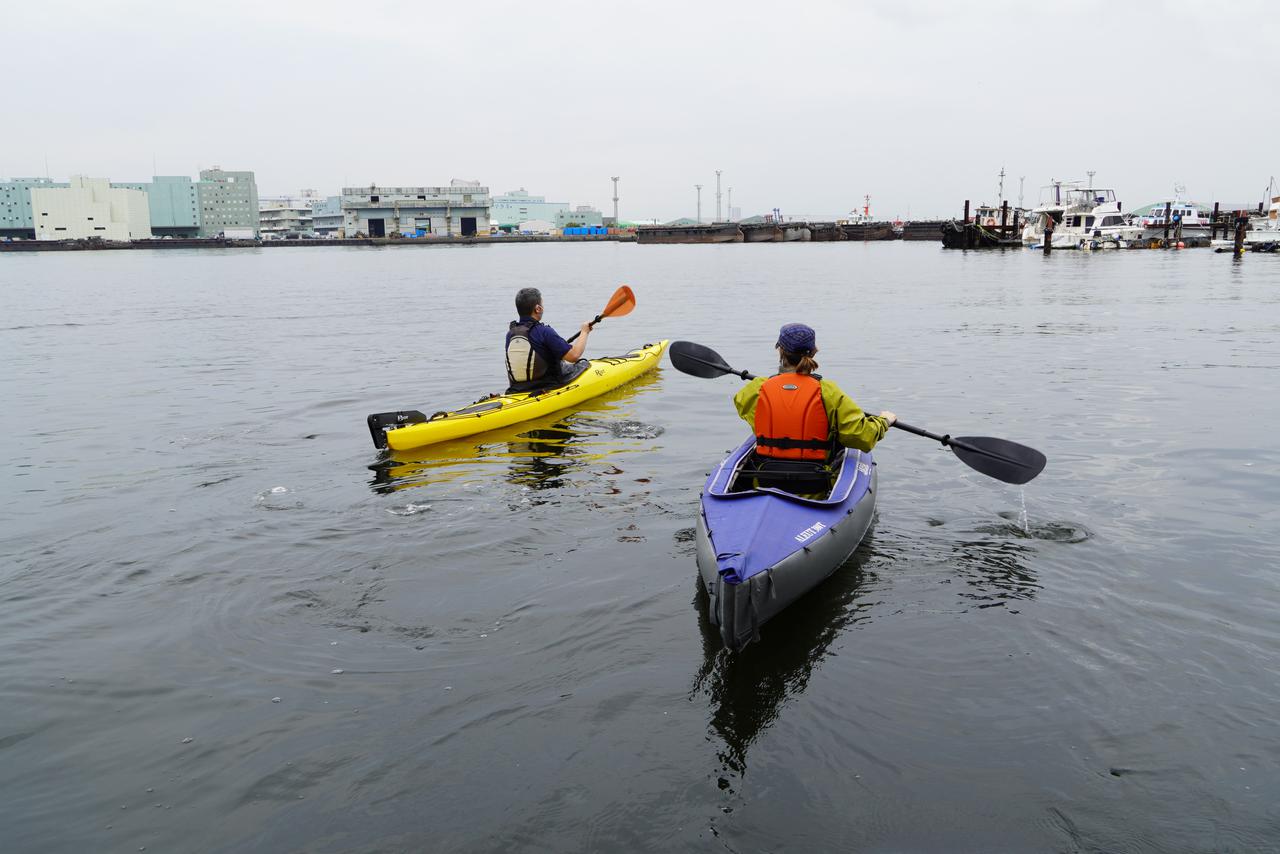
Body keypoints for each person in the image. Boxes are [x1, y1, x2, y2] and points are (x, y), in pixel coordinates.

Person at [732, 322, 896, 493]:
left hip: (766, 482)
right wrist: (884, 421)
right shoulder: (828, 391)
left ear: (780, 350)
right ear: (814, 351)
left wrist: (775, 384)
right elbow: (860, 436)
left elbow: (745, 406)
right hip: (814, 488)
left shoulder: (757, 388)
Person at [505, 287, 592, 393]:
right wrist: (584, 331)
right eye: (542, 304)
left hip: (517, 389)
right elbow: (574, 356)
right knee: (582, 364)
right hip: (545, 387)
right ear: (538, 308)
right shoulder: (544, 331)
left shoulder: (511, 334)